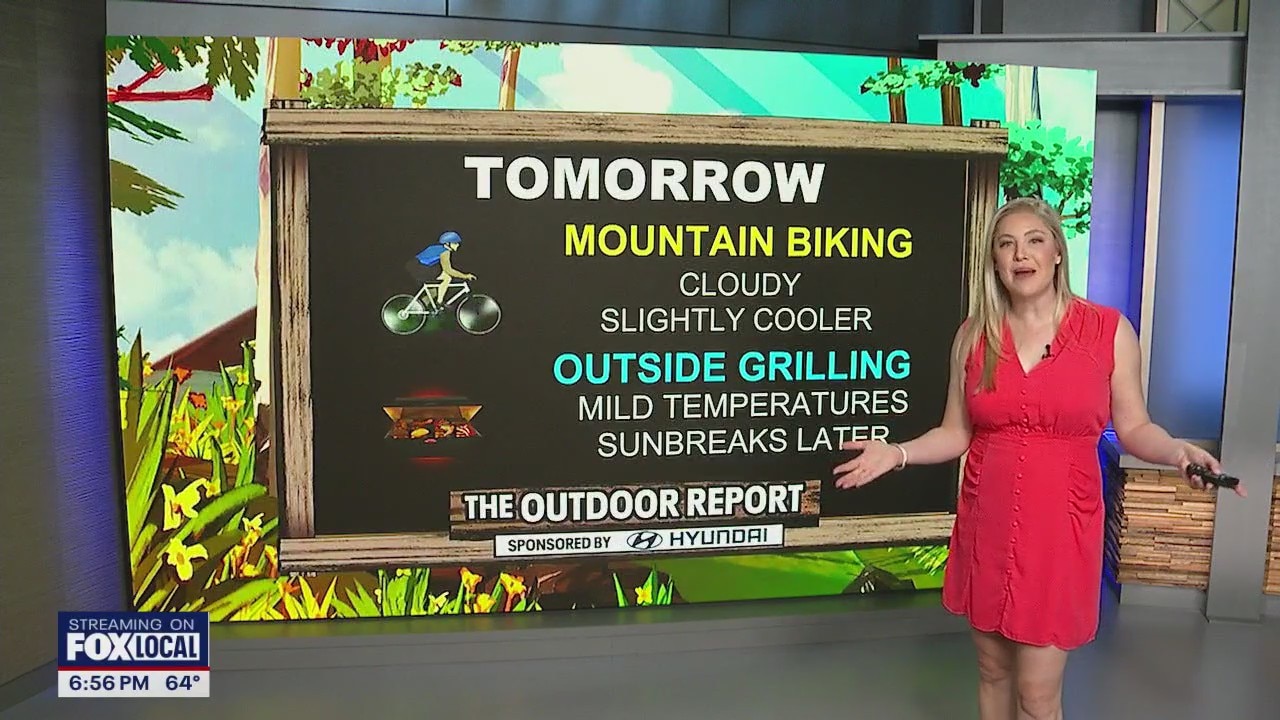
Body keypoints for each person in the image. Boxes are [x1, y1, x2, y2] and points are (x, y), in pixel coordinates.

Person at [832, 196, 1247, 720]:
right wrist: (896, 453)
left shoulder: (1108, 331)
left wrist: (1177, 451)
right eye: (1006, 244)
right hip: (987, 524)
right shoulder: (974, 335)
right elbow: (955, 432)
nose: (1020, 254)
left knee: (1036, 695)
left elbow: (1135, 427)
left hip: (1060, 532)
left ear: (1057, 253)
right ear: (995, 261)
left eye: (1034, 240)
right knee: (993, 673)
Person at [406, 230, 476, 312]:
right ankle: (439, 303)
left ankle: (418, 307)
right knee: (447, 277)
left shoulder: (438, 248)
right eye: (455, 243)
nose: (458, 245)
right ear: (448, 243)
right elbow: (449, 270)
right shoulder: (445, 252)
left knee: (433, 292)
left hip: (415, 266)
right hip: (418, 268)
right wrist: (465, 276)